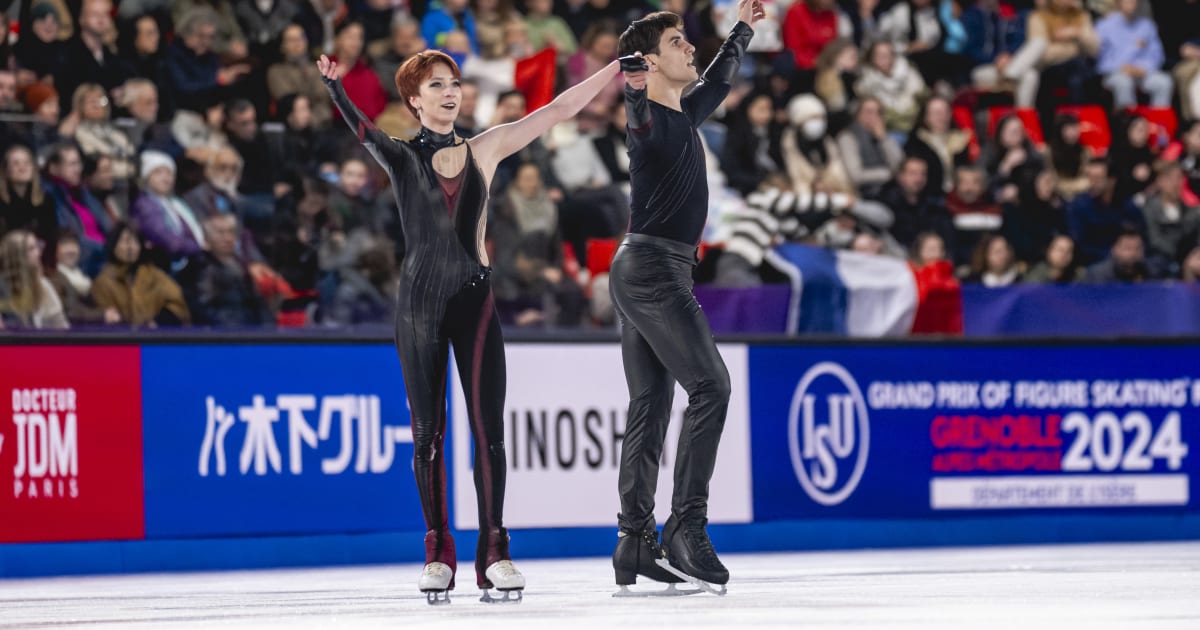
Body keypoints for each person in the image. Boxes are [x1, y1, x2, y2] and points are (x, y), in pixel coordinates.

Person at [317, 39, 633, 601]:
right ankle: (438, 551)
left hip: (474, 300)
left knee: (489, 432)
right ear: (414, 100)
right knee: (427, 435)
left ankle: (495, 552)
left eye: (455, 84)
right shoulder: (400, 156)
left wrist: (613, 67)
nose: (450, 93)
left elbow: (557, 109)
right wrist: (336, 88)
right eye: (436, 85)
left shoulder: (487, 148)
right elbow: (362, 131)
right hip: (419, 307)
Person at [610, 1, 764, 592]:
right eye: (677, 42)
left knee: (651, 405)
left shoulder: (685, 112)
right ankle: (686, 527)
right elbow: (638, 120)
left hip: (647, 268)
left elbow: (719, 80)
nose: (689, 47)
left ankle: (634, 538)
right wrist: (633, 88)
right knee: (712, 387)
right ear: (649, 61)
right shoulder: (649, 116)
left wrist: (742, 29)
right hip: (652, 271)